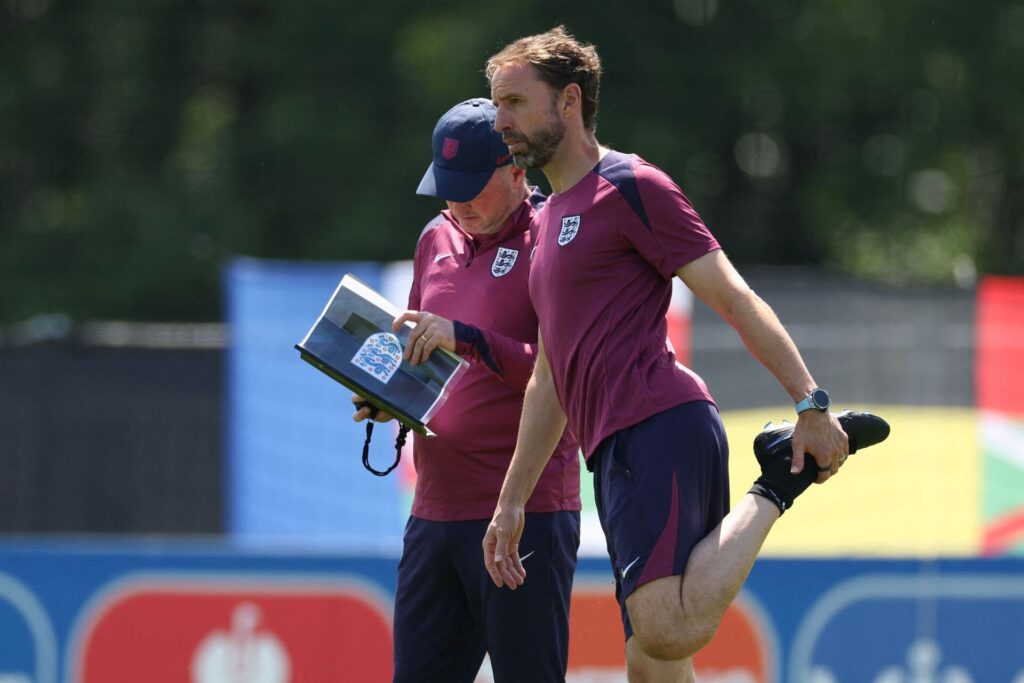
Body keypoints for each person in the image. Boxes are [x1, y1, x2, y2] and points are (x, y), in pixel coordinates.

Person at [480, 27, 851, 681]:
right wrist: (511, 500)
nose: (499, 120)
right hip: (616, 450)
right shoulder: (542, 220)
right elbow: (549, 373)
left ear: (569, 101)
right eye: (496, 103)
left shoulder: (631, 184)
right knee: (653, 663)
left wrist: (810, 401)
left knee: (666, 628)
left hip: (657, 424)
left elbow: (731, 295)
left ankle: (776, 483)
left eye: (514, 102)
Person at [353, 97, 582, 683]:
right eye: (446, 188)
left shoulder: (554, 239)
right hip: (434, 511)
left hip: (525, 510)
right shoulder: (436, 237)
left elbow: (568, 373)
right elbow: (419, 349)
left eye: (472, 187)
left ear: (516, 168)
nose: (458, 203)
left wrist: (468, 338)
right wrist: (387, 398)